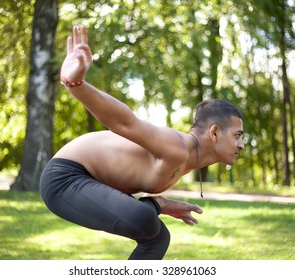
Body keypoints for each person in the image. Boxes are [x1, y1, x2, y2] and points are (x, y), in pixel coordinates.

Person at [39, 25, 244, 260]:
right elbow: (125, 122)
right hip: (65, 178)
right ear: (215, 133)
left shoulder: (185, 159)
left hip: (87, 180)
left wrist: (161, 203)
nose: (242, 145)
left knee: (158, 237)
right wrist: (76, 84)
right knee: (146, 220)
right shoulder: (177, 146)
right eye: (237, 135)